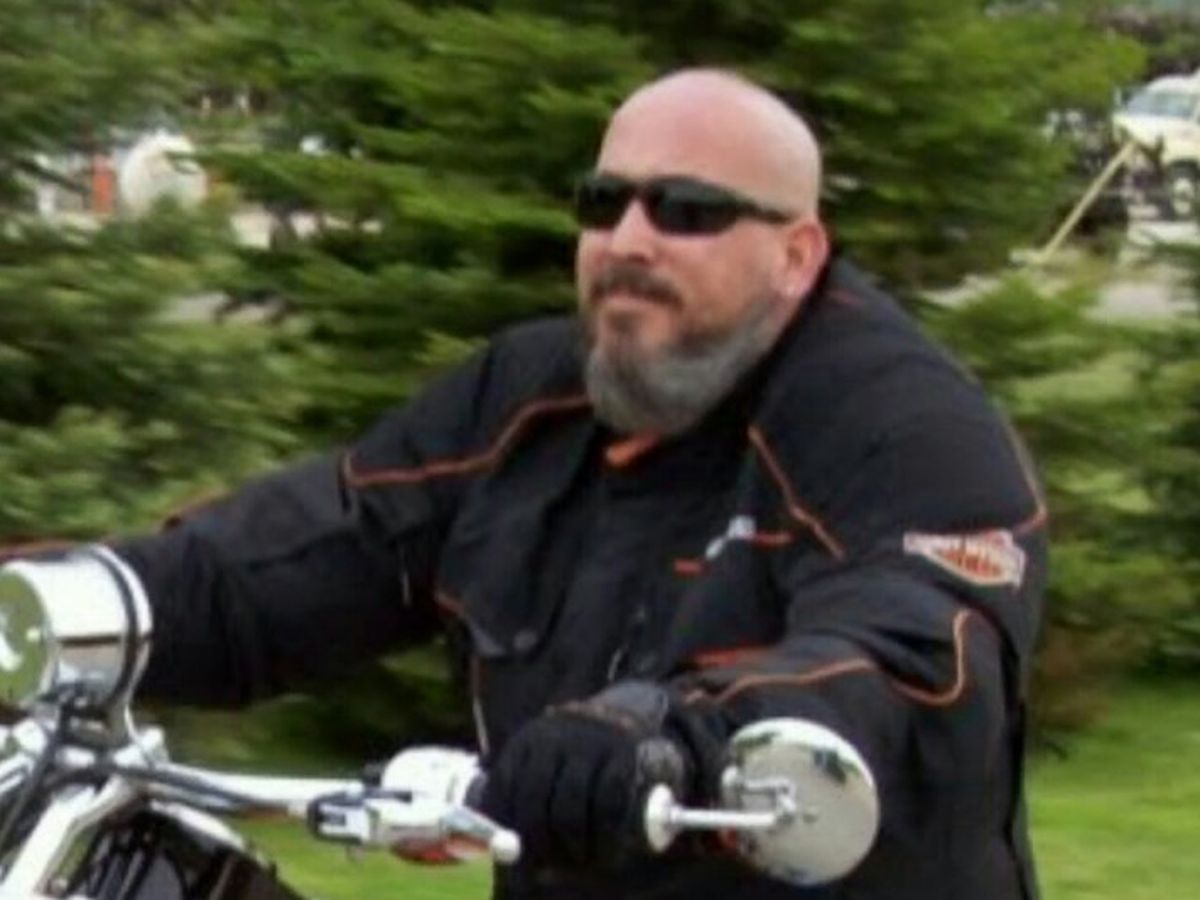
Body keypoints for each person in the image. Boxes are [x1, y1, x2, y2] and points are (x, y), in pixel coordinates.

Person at [12, 69, 1048, 899]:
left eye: (686, 210)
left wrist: (661, 736)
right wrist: (52, 608)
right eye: (604, 202)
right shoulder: (528, 400)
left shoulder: (906, 425)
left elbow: (912, 658)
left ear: (796, 253)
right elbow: (295, 557)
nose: (628, 240)